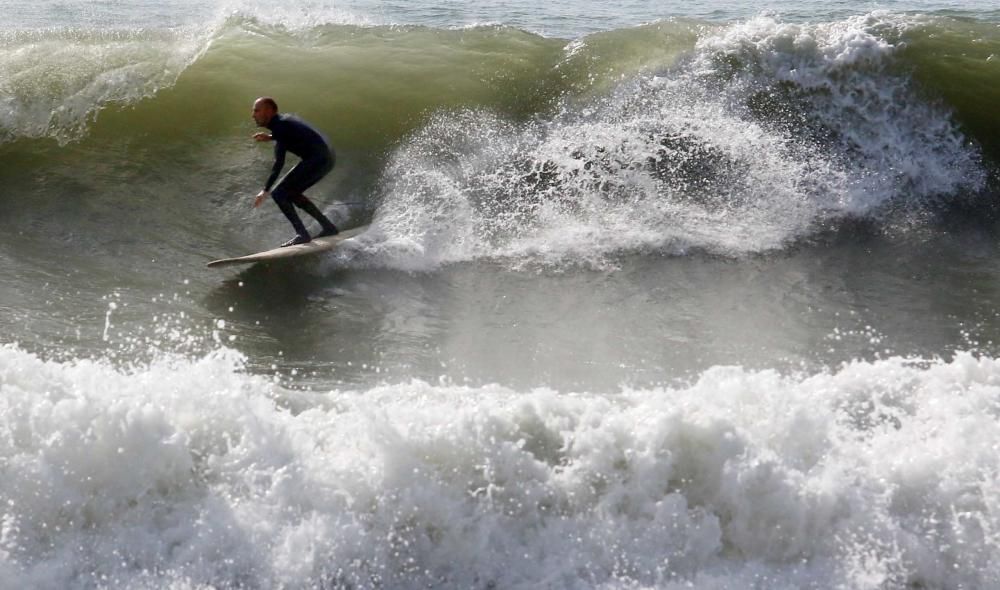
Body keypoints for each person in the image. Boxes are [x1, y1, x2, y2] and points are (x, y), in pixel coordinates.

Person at [251, 97, 339, 247]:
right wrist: (271, 137)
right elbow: (295, 134)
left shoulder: (280, 127)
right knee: (291, 192)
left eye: (257, 110)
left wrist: (265, 191)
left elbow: (278, 163)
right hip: (326, 157)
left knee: (278, 193)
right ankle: (328, 227)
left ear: (269, 111)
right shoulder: (284, 121)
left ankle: (302, 234)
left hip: (317, 159)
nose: (253, 115)